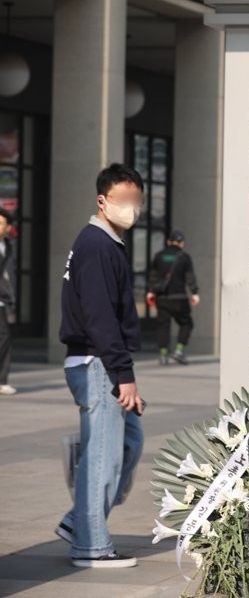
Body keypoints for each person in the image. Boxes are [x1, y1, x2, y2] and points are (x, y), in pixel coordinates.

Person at [56, 163, 146, 568]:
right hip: (96, 363)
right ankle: (91, 545)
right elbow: (99, 316)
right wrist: (122, 374)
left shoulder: (107, 243)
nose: (131, 208)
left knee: (128, 442)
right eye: (123, 200)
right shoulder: (96, 244)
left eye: (136, 200)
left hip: (100, 361)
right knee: (103, 454)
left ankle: (81, 523)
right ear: (102, 201)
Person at [146, 229, 199, 365]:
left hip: (162, 298)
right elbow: (190, 277)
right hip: (179, 298)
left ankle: (163, 355)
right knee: (186, 323)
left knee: (163, 325)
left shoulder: (159, 256)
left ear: (168, 242)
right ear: (181, 243)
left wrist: (151, 291)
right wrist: (194, 293)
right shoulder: (184, 257)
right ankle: (179, 351)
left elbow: (153, 275)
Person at [0, 207, 16, 395]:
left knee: (4, 338)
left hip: (4, 300)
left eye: (1, 223)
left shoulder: (9, 247)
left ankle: (3, 379)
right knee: (3, 336)